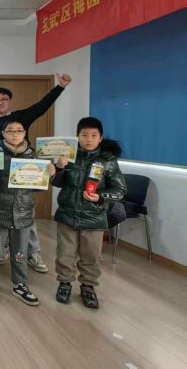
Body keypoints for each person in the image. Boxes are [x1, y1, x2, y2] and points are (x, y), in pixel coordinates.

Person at [0, 72, 73, 273]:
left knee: (26, 215)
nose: (0, 102)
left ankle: (32, 252)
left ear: (10, 101)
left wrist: (60, 86)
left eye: (4, 99)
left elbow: (42, 106)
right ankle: (3, 249)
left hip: (23, 173)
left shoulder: (20, 117)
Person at [0, 117, 55, 307]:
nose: (15, 134)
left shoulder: (33, 156)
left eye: (19, 131)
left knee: (20, 253)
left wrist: (49, 175)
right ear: (3, 134)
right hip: (0, 212)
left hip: (23, 213)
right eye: (10, 131)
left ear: (25, 133)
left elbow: (38, 188)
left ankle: (20, 284)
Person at [53, 117, 126, 309]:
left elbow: (120, 190)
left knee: (91, 255)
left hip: (94, 217)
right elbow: (56, 182)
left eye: (94, 135)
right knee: (65, 253)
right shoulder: (69, 155)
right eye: (84, 135)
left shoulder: (108, 160)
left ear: (100, 138)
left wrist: (100, 197)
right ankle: (65, 283)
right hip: (67, 213)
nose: (88, 139)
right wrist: (59, 167)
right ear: (77, 136)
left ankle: (88, 287)